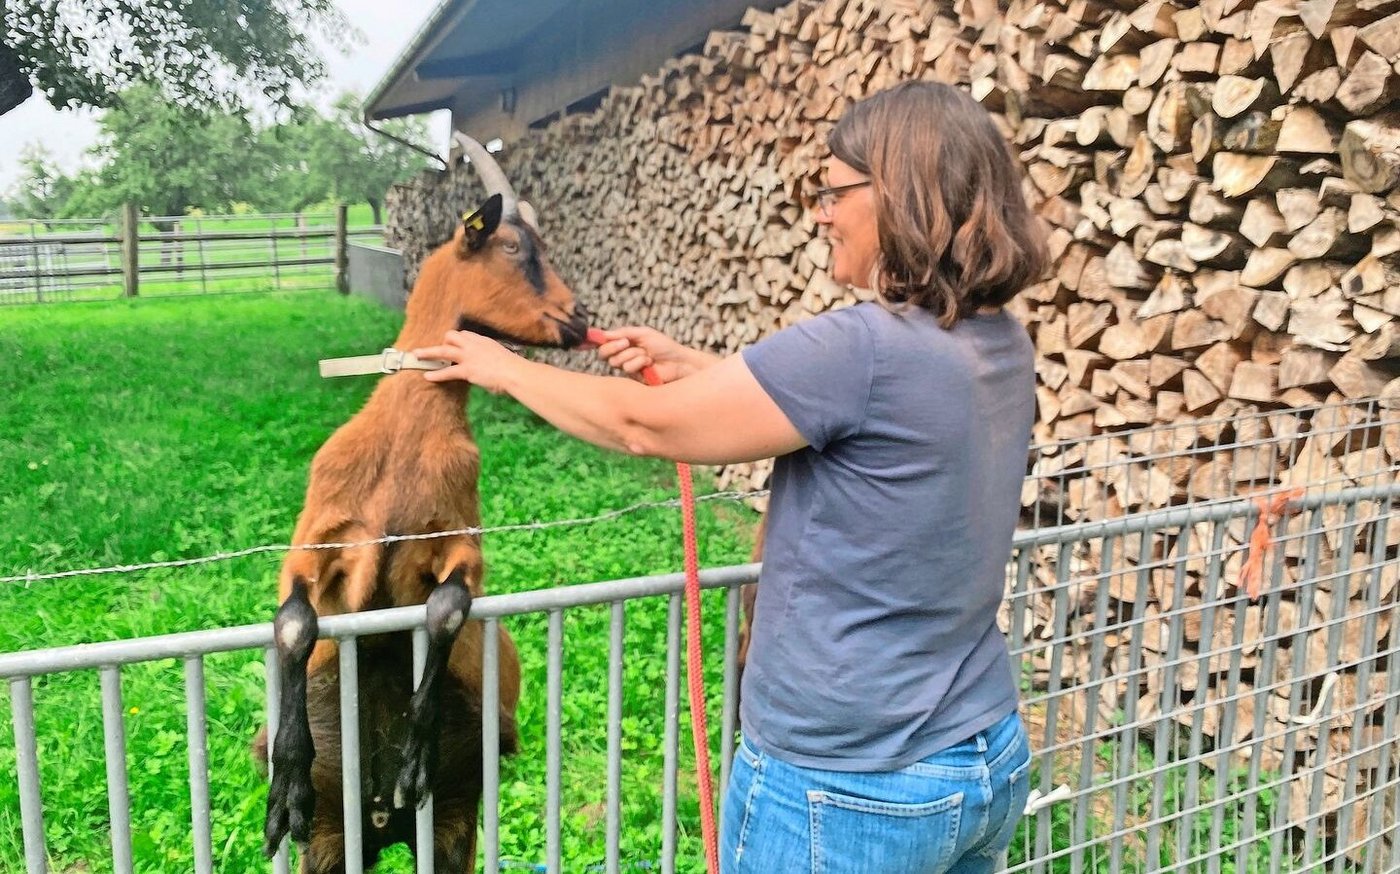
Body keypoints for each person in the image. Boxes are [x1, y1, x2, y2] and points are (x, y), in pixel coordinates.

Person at [413, 80, 1049, 873]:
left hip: (846, 786)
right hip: (977, 752)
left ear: (902, 195)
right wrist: (698, 369)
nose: (818, 210)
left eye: (833, 189)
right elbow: (872, 429)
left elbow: (642, 425)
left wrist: (501, 367)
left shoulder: (861, 349)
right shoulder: (995, 343)